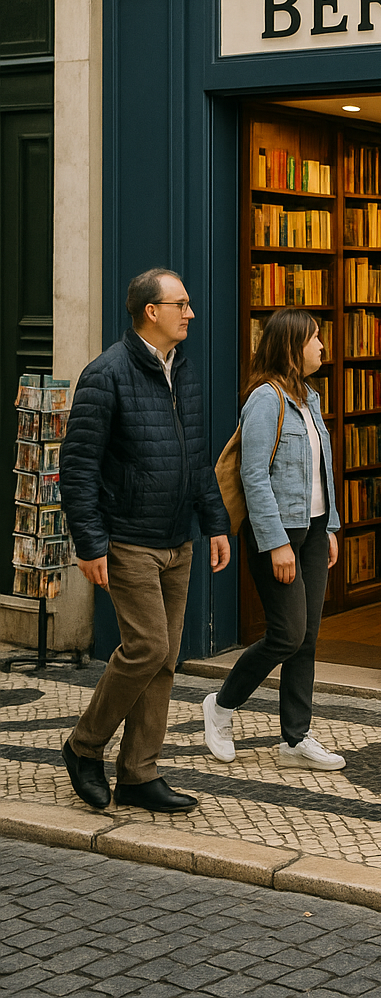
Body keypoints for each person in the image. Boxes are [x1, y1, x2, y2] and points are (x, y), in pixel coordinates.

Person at [60, 268, 231, 813]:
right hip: (127, 538)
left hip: (177, 537)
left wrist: (216, 523)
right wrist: (89, 544)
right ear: (150, 312)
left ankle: (138, 772)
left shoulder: (185, 370)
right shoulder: (105, 374)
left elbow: (198, 459)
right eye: (181, 304)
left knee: (165, 659)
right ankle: (84, 746)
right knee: (147, 647)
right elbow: (79, 466)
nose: (191, 313)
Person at [201, 309, 345, 770]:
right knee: (286, 634)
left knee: (308, 638)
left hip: (315, 530)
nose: (322, 345)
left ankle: (295, 738)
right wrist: (275, 541)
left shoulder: (311, 398)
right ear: (291, 346)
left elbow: (323, 472)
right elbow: (253, 475)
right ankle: (220, 707)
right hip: (280, 534)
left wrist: (333, 526)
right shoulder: (266, 399)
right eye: (315, 338)